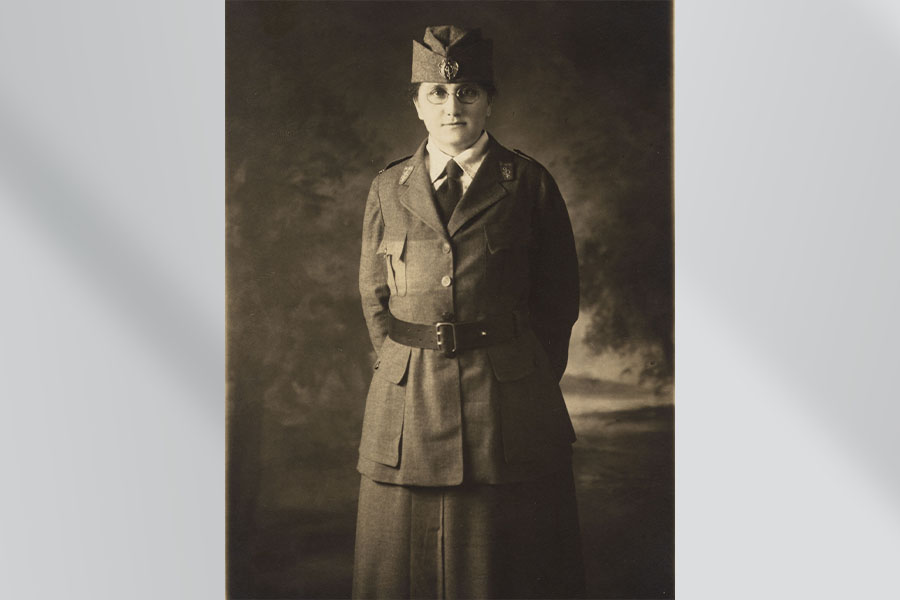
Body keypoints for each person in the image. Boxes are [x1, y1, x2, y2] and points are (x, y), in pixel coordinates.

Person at [354, 25, 584, 599]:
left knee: (506, 563)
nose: (451, 106)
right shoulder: (389, 187)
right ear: (416, 102)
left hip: (504, 398)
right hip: (407, 397)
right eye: (436, 93)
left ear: (488, 100)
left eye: (467, 93)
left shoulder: (527, 182)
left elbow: (559, 299)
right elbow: (372, 296)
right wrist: (399, 366)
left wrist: (522, 373)